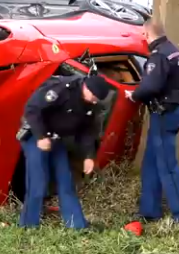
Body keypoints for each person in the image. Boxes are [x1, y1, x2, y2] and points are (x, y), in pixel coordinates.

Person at [124, 18, 179, 227]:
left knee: (167, 166)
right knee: (150, 163)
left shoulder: (159, 56)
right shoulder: (175, 52)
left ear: (147, 35)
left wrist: (133, 95)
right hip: (168, 113)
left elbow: (150, 86)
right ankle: (149, 211)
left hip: (164, 115)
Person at [16, 74, 111, 229]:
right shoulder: (61, 89)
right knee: (38, 182)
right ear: (86, 87)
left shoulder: (90, 104)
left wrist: (88, 156)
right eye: (93, 97)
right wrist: (41, 136)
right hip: (36, 136)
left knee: (66, 181)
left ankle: (77, 225)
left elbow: (86, 132)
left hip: (57, 138)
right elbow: (32, 109)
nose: (94, 101)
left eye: (96, 100)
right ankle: (28, 225)